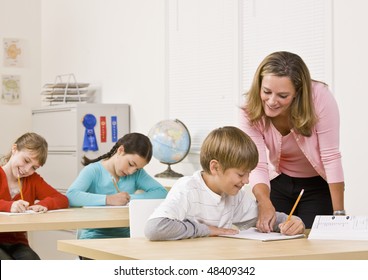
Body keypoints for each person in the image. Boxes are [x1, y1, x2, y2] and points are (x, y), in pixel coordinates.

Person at [240, 51, 345, 231]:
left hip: (316, 185)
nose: (272, 101)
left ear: (298, 93)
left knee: (308, 238)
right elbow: (258, 164)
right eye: (266, 91)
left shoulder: (319, 97)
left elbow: (331, 157)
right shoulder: (249, 110)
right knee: (272, 235)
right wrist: (264, 203)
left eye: (282, 96)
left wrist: (340, 215)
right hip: (278, 182)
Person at [144, 126, 304, 241]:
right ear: (215, 167)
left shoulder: (235, 196)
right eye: (241, 174)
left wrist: (294, 223)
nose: (247, 181)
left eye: (249, 173)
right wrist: (207, 230)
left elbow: (265, 220)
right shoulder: (188, 189)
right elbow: (155, 228)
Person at [66, 132, 168, 240]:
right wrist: (109, 199)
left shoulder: (137, 174)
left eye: (137, 168)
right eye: (131, 164)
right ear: (120, 151)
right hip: (94, 237)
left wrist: (129, 198)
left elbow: (162, 193)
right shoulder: (93, 171)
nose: (131, 172)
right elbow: (71, 196)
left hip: (126, 238)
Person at [0, 132, 69, 260]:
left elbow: (62, 199)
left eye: (34, 167)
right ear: (14, 149)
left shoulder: (33, 180)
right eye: (26, 161)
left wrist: (43, 205)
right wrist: (9, 206)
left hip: (17, 243)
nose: (27, 170)